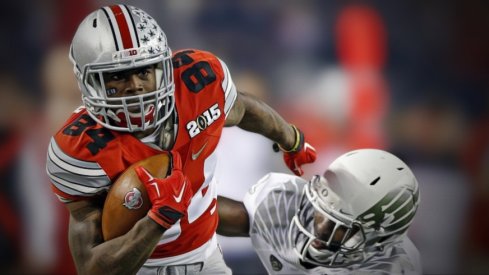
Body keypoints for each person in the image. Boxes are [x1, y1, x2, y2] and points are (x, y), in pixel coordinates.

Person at [45, 4, 317, 275]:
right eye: (118, 75)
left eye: (144, 71)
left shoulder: (198, 85)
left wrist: (292, 139)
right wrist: (156, 221)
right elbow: (92, 268)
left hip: (208, 258)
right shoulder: (80, 149)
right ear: (89, 81)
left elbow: (243, 108)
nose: (136, 85)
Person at [218, 148, 422, 274]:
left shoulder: (390, 267)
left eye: (339, 225)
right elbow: (217, 215)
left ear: (377, 240)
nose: (320, 227)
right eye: (320, 210)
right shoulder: (288, 204)